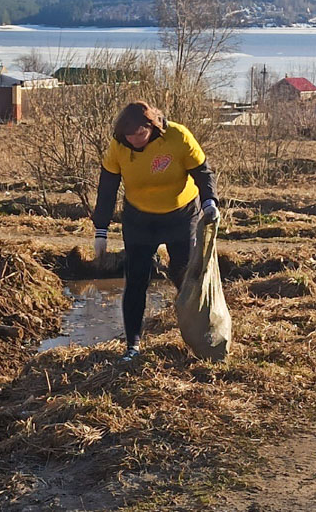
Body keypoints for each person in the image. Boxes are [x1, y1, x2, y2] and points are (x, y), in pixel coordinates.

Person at [92, 101, 220, 362]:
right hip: (139, 220)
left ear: (153, 127)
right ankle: (132, 346)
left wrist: (210, 202)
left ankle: (198, 337)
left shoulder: (178, 137)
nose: (135, 141)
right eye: (129, 137)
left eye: (140, 135)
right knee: (136, 280)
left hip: (181, 216)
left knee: (185, 276)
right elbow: (107, 187)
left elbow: (203, 173)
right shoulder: (118, 146)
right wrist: (101, 230)